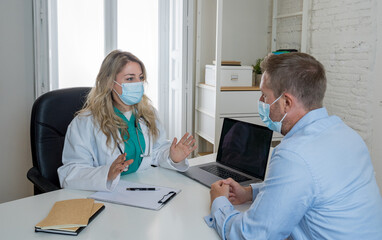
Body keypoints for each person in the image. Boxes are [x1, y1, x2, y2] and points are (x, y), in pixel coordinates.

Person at [205, 52, 382, 239]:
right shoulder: (347, 134)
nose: (260, 102)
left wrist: (220, 202)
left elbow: (251, 235)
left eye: (264, 95)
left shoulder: (293, 155)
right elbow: (307, 189)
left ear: (286, 102)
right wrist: (250, 193)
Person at [58, 50, 197, 192]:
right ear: (109, 82)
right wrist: (107, 174)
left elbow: (156, 151)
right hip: (105, 193)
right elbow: (70, 172)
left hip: (144, 186)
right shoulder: (85, 122)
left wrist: (172, 157)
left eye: (140, 78)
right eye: (130, 79)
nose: (138, 84)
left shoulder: (148, 114)